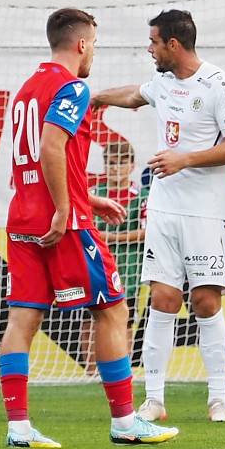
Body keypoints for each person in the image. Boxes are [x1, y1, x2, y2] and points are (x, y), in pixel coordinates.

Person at [0, 7, 178, 448]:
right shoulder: (72, 87)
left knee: (23, 317)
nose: (93, 52)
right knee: (111, 309)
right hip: (64, 224)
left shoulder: (26, 89)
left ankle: (18, 427)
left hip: (23, 216)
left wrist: (84, 197)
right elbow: (50, 146)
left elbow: (34, 157)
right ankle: (124, 421)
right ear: (81, 44)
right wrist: (66, 208)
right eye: (93, 44)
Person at [92, 10, 225, 422]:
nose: (150, 48)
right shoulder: (162, 83)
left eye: (154, 42)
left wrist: (186, 159)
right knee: (161, 300)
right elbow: (135, 96)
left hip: (204, 213)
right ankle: (154, 399)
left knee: (205, 301)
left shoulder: (217, 84)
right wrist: (96, 97)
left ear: (173, 45)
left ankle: (218, 399)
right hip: (164, 210)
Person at [81, 139, 149, 372]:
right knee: (91, 316)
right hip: (94, 261)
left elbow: (147, 231)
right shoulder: (92, 193)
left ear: (131, 166)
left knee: (125, 316)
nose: (115, 168)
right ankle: (90, 373)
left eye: (121, 162)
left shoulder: (141, 195)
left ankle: (122, 372)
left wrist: (112, 238)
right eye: (110, 163)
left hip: (129, 264)